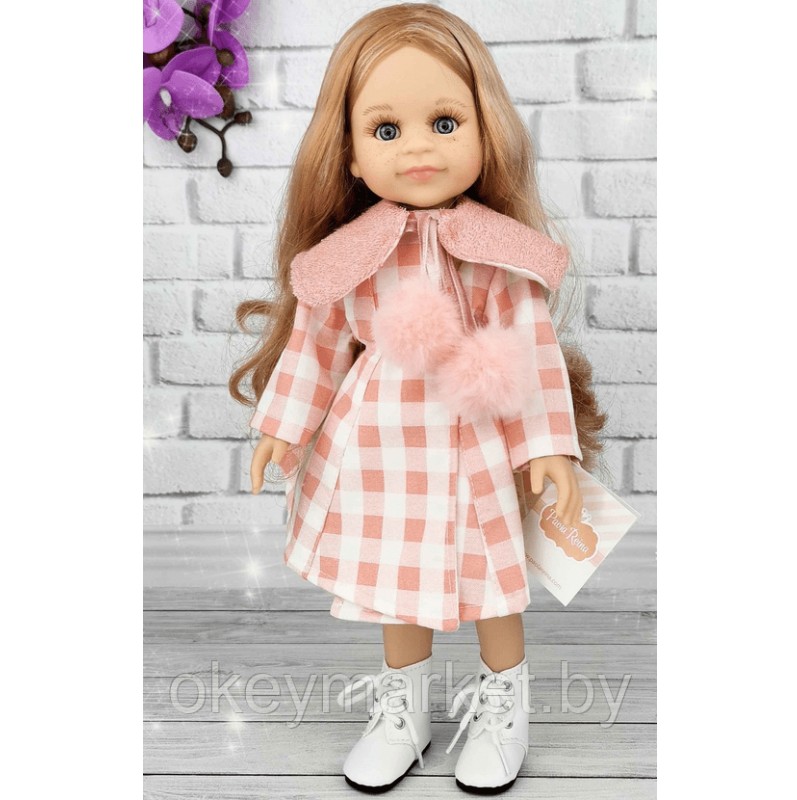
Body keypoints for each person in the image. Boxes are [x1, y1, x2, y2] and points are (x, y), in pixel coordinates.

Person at [229, 3, 605, 794]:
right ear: (350, 152)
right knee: (393, 578)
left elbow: (531, 347)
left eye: (444, 122)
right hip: (381, 446)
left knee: (492, 579)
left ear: (484, 131)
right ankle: (402, 711)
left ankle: (504, 707)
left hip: (475, 440)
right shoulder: (348, 256)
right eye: (387, 129)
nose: (419, 148)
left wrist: (547, 447)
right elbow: (317, 345)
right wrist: (282, 428)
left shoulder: (497, 251)